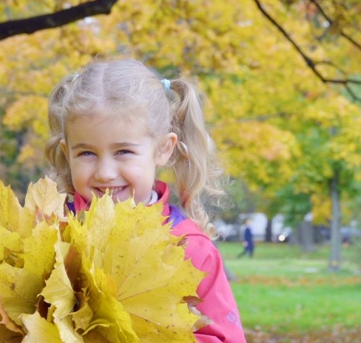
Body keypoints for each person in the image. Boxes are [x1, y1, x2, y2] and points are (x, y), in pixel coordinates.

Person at [44, 58, 246, 342]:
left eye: (123, 151)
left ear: (163, 149)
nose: (105, 173)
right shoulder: (48, 232)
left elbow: (224, 336)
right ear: (67, 153)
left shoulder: (188, 247)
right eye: (86, 153)